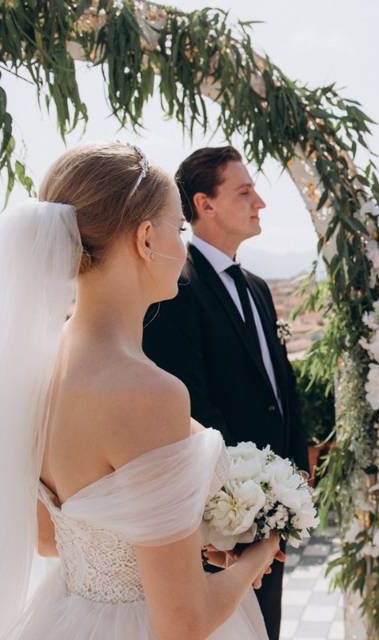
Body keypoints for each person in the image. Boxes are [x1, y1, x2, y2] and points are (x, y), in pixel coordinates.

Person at [0, 142, 282, 640]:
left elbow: (51, 539)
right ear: (147, 238)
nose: (183, 245)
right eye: (178, 228)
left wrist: (181, 543)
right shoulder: (147, 392)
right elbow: (184, 624)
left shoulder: (40, 369)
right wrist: (257, 554)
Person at [143, 146, 307, 640]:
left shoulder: (257, 287)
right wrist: (243, 504)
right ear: (205, 204)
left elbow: (280, 387)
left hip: (273, 507)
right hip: (222, 517)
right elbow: (192, 403)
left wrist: (295, 478)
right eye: (245, 191)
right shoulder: (176, 288)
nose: (261, 202)